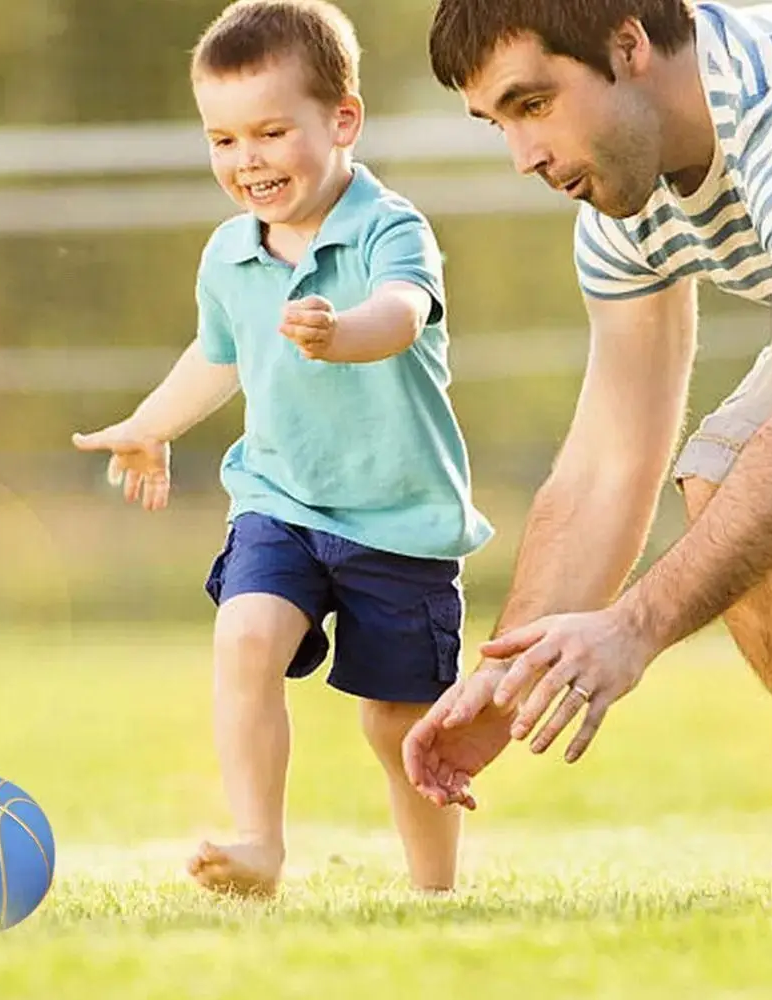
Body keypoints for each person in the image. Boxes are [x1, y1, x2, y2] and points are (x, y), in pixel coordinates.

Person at [72, 0, 492, 895]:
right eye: (222, 140)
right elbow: (216, 356)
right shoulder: (228, 255)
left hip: (399, 519)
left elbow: (402, 314)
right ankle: (258, 844)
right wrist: (150, 425)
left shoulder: (390, 227)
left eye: (270, 131)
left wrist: (340, 331)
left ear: (343, 121)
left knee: (397, 721)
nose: (246, 160)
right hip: (281, 502)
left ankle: (433, 887)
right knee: (246, 636)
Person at [403, 0, 772, 812]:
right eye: (499, 124)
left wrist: (635, 626)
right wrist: (508, 673)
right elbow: (607, 466)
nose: (524, 155)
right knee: (728, 479)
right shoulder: (624, 197)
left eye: (533, 104)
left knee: (770, 468)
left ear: (628, 44)